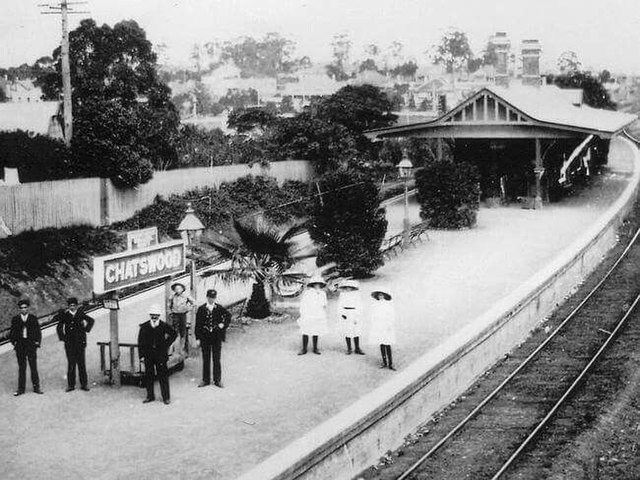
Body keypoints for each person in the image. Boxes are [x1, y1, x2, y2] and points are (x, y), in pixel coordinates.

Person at [137, 304, 177, 405]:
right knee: (149, 376)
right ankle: (150, 396)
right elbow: (140, 342)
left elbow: (174, 334)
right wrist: (141, 356)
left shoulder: (163, 325)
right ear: (150, 315)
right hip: (148, 355)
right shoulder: (145, 326)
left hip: (160, 355)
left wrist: (166, 345)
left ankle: (166, 397)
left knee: (163, 376)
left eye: (156, 315)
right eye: (152, 315)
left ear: (159, 315)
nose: (154, 317)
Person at [55, 297, 95, 392]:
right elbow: (59, 327)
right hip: (69, 344)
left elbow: (91, 320)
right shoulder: (65, 315)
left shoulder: (80, 313)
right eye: (70, 305)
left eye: (74, 305)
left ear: (76, 306)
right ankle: (71, 385)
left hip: (80, 343)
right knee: (71, 364)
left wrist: (86, 330)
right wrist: (63, 338)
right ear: (68, 306)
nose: (72, 307)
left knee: (81, 364)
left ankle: (84, 384)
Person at [194, 289, 231, 388]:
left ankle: (217, 380)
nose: (211, 299)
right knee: (206, 359)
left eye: (213, 298)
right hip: (205, 337)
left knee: (216, 359)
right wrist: (198, 338)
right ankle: (205, 380)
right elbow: (198, 325)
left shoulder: (219, 308)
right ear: (207, 297)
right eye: (210, 297)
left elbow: (228, 315)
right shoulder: (201, 309)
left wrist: (223, 324)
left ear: (215, 298)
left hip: (216, 337)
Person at [9, 299, 43, 396]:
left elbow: (38, 332)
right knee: (22, 368)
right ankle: (21, 389)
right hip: (20, 346)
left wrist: (37, 343)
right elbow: (12, 332)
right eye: (21, 308)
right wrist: (14, 342)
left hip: (31, 345)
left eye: (25, 307)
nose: (23, 309)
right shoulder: (15, 319)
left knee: (33, 367)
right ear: (19, 309)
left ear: (28, 308)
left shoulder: (33, 318)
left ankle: (36, 387)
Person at [297, 275, 328, 355]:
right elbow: (303, 304)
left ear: (321, 285)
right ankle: (304, 348)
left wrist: (319, 295)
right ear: (312, 284)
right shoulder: (307, 293)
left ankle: (315, 348)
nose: (317, 285)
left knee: (316, 330)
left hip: (318, 313)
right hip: (308, 313)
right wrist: (303, 313)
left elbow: (324, 304)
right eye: (315, 284)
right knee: (306, 330)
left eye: (319, 284)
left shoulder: (323, 293)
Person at [368, 288, 397, 370]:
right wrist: (374, 323)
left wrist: (389, 325)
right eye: (379, 295)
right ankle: (384, 362)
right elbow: (372, 315)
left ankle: (390, 363)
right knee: (381, 343)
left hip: (386, 325)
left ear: (385, 296)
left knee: (387, 343)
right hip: (378, 325)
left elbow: (392, 315)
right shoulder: (375, 305)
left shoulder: (388, 304)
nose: (380, 296)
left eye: (382, 295)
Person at [337, 279, 365, 355]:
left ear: (353, 287)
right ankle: (349, 348)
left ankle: (357, 348)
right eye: (347, 287)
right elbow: (339, 305)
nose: (348, 288)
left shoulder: (356, 295)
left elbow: (359, 305)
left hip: (354, 313)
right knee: (347, 330)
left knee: (356, 331)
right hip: (346, 313)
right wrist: (342, 314)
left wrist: (357, 316)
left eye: (350, 287)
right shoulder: (342, 294)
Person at [169, 282, 195, 351]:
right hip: (175, 315)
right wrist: (170, 311)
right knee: (174, 331)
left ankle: (182, 347)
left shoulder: (186, 296)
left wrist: (189, 308)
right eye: (176, 289)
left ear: (182, 289)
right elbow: (169, 305)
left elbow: (194, 302)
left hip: (183, 315)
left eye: (179, 288)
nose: (177, 290)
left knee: (183, 331)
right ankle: (174, 348)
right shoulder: (172, 296)